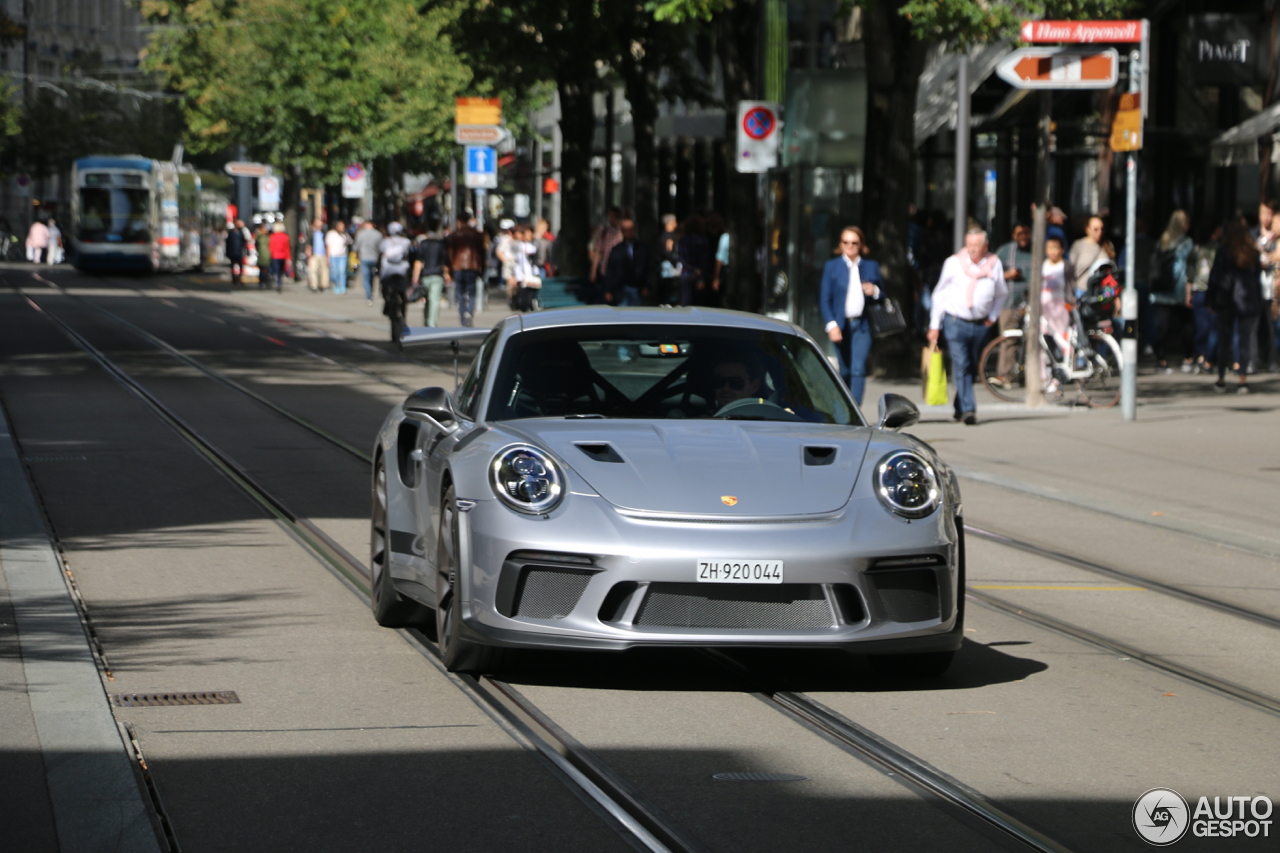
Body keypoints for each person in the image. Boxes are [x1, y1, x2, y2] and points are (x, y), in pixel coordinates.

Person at [927, 228, 1007, 425]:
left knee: (971, 366)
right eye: (969, 244)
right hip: (955, 322)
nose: (971, 249)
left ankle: (960, 406)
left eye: (976, 245)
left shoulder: (994, 264)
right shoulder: (953, 263)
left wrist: (993, 317)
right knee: (961, 365)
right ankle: (970, 409)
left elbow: (1001, 293)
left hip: (980, 325)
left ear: (985, 246)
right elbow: (940, 294)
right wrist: (934, 325)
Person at [819, 225, 882, 405]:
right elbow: (825, 299)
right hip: (840, 324)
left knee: (858, 369)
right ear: (840, 244)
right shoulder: (832, 266)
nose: (850, 246)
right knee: (845, 370)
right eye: (846, 242)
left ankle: (856, 412)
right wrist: (831, 324)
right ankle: (844, 407)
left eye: (855, 243)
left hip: (862, 325)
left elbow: (883, 294)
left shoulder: (871, 266)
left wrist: (874, 290)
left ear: (861, 245)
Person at [1207, 216, 1263, 394]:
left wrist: (1211, 300)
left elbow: (1214, 278)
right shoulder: (1253, 253)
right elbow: (1257, 280)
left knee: (1225, 340)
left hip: (1227, 300)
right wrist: (1259, 301)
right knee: (1244, 341)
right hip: (1247, 301)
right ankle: (1242, 379)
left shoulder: (1223, 252)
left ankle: (1221, 379)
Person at [1148, 210, 1196, 373]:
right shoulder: (1187, 243)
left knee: (1162, 327)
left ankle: (1161, 360)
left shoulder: (1162, 241)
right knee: (1186, 326)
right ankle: (1187, 359)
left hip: (1160, 291)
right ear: (1183, 225)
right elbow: (1188, 268)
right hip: (1179, 290)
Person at [993, 224, 1033, 385]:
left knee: (1032, 339)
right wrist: (1007, 275)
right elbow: (991, 274)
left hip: (1031, 304)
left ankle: (1029, 375)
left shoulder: (1037, 251)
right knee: (1008, 339)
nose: (1023, 236)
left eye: (1026, 232)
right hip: (1009, 302)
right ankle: (1005, 374)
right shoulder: (1005, 251)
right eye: (1019, 233)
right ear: (1013, 235)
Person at [1039, 236, 1075, 393]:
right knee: (1043, 343)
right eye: (1049, 248)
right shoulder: (1043, 265)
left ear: (1062, 250)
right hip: (1043, 307)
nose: (1052, 252)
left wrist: (1071, 305)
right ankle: (1044, 376)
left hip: (1060, 307)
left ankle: (1059, 376)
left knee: (1061, 341)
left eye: (1056, 248)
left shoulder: (1065, 266)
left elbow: (1070, 287)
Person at [1189, 222, 1221, 375]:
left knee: (1205, 327)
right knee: (1208, 327)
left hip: (1202, 290)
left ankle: (1205, 357)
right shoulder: (1204, 249)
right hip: (1205, 290)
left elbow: (1189, 273)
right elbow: (1189, 271)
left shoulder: (1200, 248)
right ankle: (1206, 358)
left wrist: (1188, 291)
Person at [1253, 199, 1280, 371]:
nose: (1266, 218)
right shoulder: (1254, 235)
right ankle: (1255, 359)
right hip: (1258, 288)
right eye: (1262, 213)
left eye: (1269, 214)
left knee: (1273, 327)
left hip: (1274, 291)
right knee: (1256, 327)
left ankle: (1273, 359)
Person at [448, 213, 487, 326]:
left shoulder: (454, 235)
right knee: (472, 292)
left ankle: (463, 319)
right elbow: (482, 253)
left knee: (460, 294)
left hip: (458, 267)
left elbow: (450, 253)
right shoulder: (477, 234)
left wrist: (450, 269)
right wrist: (482, 269)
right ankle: (469, 312)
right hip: (472, 266)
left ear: (459, 221)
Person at [379, 222, 414, 343]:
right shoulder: (406, 242)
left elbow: (380, 256)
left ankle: (387, 302)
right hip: (402, 272)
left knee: (385, 289)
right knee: (403, 295)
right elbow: (411, 256)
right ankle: (403, 316)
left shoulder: (385, 241)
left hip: (387, 272)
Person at [604, 218, 650, 307]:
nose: (628, 232)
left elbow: (647, 268)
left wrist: (646, 285)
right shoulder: (617, 250)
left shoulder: (642, 248)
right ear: (622, 231)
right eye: (625, 230)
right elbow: (611, 270)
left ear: (635, 230)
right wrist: (608, 290)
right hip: (621, 288)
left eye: (631, 230)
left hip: (637, 287)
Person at [412, 219, 450, 327]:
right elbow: (444, 262)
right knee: (434, 300)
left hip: (425, 275)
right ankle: (432, 323)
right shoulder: (442, 244)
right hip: (437, 275)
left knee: (427, 300)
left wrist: (415, 276)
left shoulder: (423, 243)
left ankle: (426, 321)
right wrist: (447, 274)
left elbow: (418, 261)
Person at [1069, 215, 1115, 299]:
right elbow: (1070, 270)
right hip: (1082, 292)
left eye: (1102, 229)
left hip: (1103, 292)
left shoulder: (1108, 245)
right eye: (1096, 229)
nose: (1099, 232)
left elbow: (1112, 271)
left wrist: (1114, 295)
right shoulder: (1079, 245)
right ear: (1087, 229)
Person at [588, 206, 623, 299]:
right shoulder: (604, 232)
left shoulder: (623, 232)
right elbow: (598, 252)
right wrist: (594, 271)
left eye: (615, 216)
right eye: (610, 216)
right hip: (606, 270)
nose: (612, 219)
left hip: (621, 272)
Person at [676, 215, 709, 307]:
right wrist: (701, 275)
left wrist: (692, 269)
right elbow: (705, 260)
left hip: (686, 275)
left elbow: (681, 259)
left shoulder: (682, 241)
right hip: (699, 276)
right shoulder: (703, 240)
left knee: (685, 303)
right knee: (699, 305)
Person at [353, 220, 383, 305]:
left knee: (366, 278)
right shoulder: (378, 234)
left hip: (364, 258)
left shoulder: (361, 234)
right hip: (374, 258)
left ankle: (369, 296)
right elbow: (381, 248)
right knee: (373, 277)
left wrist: (357, 256)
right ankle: (373, 292)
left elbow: (356, 247)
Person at [658, 214, 681, 304]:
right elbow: (668, 253)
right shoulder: (668, 237)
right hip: (669, 268)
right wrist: (676, 263)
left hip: (670, 266)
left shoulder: (669, 235)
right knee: (669, 290)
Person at [326, 220, 350, 295]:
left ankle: (342, 287)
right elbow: (328, 246)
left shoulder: (345, 235)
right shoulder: (331, 234)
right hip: (333, 256)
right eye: (340, 226)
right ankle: (336, 285)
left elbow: (349, 242)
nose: (342, 228)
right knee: (334, 273)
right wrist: (328, 257)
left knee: (342, 272)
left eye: (343, 226)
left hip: (343, 256)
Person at [306, 218, 329, 292]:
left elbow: (327, 244)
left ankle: (323, 285)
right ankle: (314, 285)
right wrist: (308, 253)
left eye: (320, 222)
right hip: (314, 254)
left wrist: (328, 255)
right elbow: (308, 243)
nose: (319, 223)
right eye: (317, 222)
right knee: (313, 270)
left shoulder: (324, 233)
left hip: (323, 254)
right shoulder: (312, 233)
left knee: (323, 271)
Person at [267, 222, 292, 292]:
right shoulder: (285, 237)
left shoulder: (272, 236)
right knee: (281, 271)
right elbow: (287, 248)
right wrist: (288, 257)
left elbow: (270, 247)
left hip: (275, 255)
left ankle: (278, 283)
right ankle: (279, 282)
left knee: (276, 271)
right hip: (283, 256)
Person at [226, 218, 248, 286]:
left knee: (239, 266)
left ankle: (238, 279)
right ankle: (235, 279)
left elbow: (244, 241)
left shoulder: (240, 232)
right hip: (235, 252)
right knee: (234, 266)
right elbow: (228, 243)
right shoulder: (232, 232)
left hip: (238, 252)